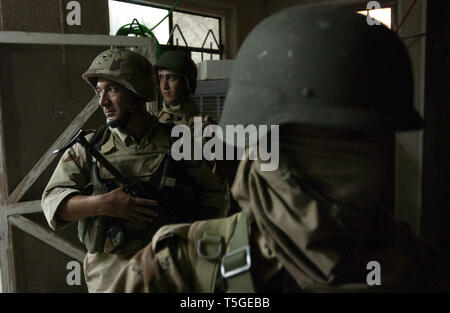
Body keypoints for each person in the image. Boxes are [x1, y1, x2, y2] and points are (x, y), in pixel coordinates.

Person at [106, 4, 450, 292]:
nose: (359, 167)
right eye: (320, 142)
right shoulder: (180, 265)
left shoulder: (419, 271)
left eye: (367, 139)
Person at [41, 48, 228, 292]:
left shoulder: (180, 143)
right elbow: (52, 202)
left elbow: (215, 199)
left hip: (173, 274)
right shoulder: (88, 149)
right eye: (99, 91)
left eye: (112, 90)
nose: (102, 102)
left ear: (137, 92)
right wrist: (103, 204)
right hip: (112, 278)